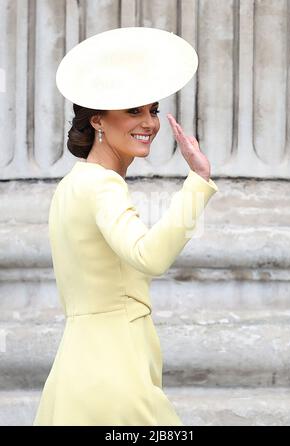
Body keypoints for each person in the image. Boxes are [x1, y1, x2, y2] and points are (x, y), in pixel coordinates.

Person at [33, 27, 218, 426]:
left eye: (152, 110)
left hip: (74, 372)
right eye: (134, 111)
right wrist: (198, 182)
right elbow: (148, 257)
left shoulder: (73, 184)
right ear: (98, 120)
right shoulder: (102, 185)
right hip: (116, 374)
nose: (149, 123)